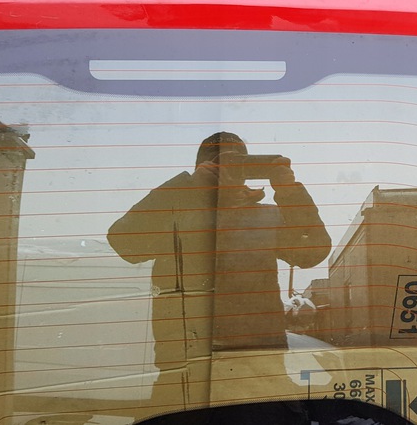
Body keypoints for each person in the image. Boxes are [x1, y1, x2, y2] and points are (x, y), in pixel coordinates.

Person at [107, 132, 331, 403]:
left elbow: (312, 251)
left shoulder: (265, 215)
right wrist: (188, 186)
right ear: (203, 168)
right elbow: (124, 243)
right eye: (221, 163)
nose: (230, 170)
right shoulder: (176, 214)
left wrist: (289, 190)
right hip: (187, 366)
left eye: (238, 163)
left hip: (256, 365)